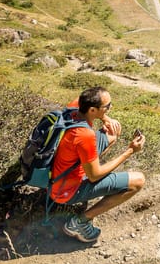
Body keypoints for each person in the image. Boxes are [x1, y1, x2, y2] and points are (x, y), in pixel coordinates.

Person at [51, 86, 146, 243]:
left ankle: (91, 163)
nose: (110, 107)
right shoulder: (85, 136)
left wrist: (106, 119)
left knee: (111, 133)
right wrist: (130, 151)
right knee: (138, 181)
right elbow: (94, 176)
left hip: (58, 173)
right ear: (93, 110)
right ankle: (80, 222)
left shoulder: (74, 108)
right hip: (66, 191)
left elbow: (82, 101)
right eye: (107, 106)